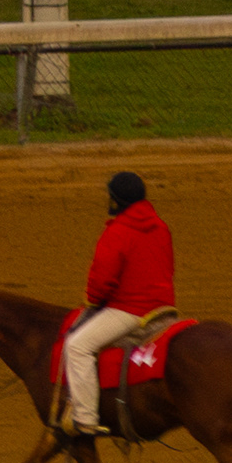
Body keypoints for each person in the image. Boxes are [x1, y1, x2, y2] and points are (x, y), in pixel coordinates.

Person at [60, 169, 175, 438]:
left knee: (76, 346)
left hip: (132, 312)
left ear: (116, 200)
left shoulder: (117, 231)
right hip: (165, 309)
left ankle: (85, 418)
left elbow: (102, 281)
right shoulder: (161, 226)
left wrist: (92, 300)